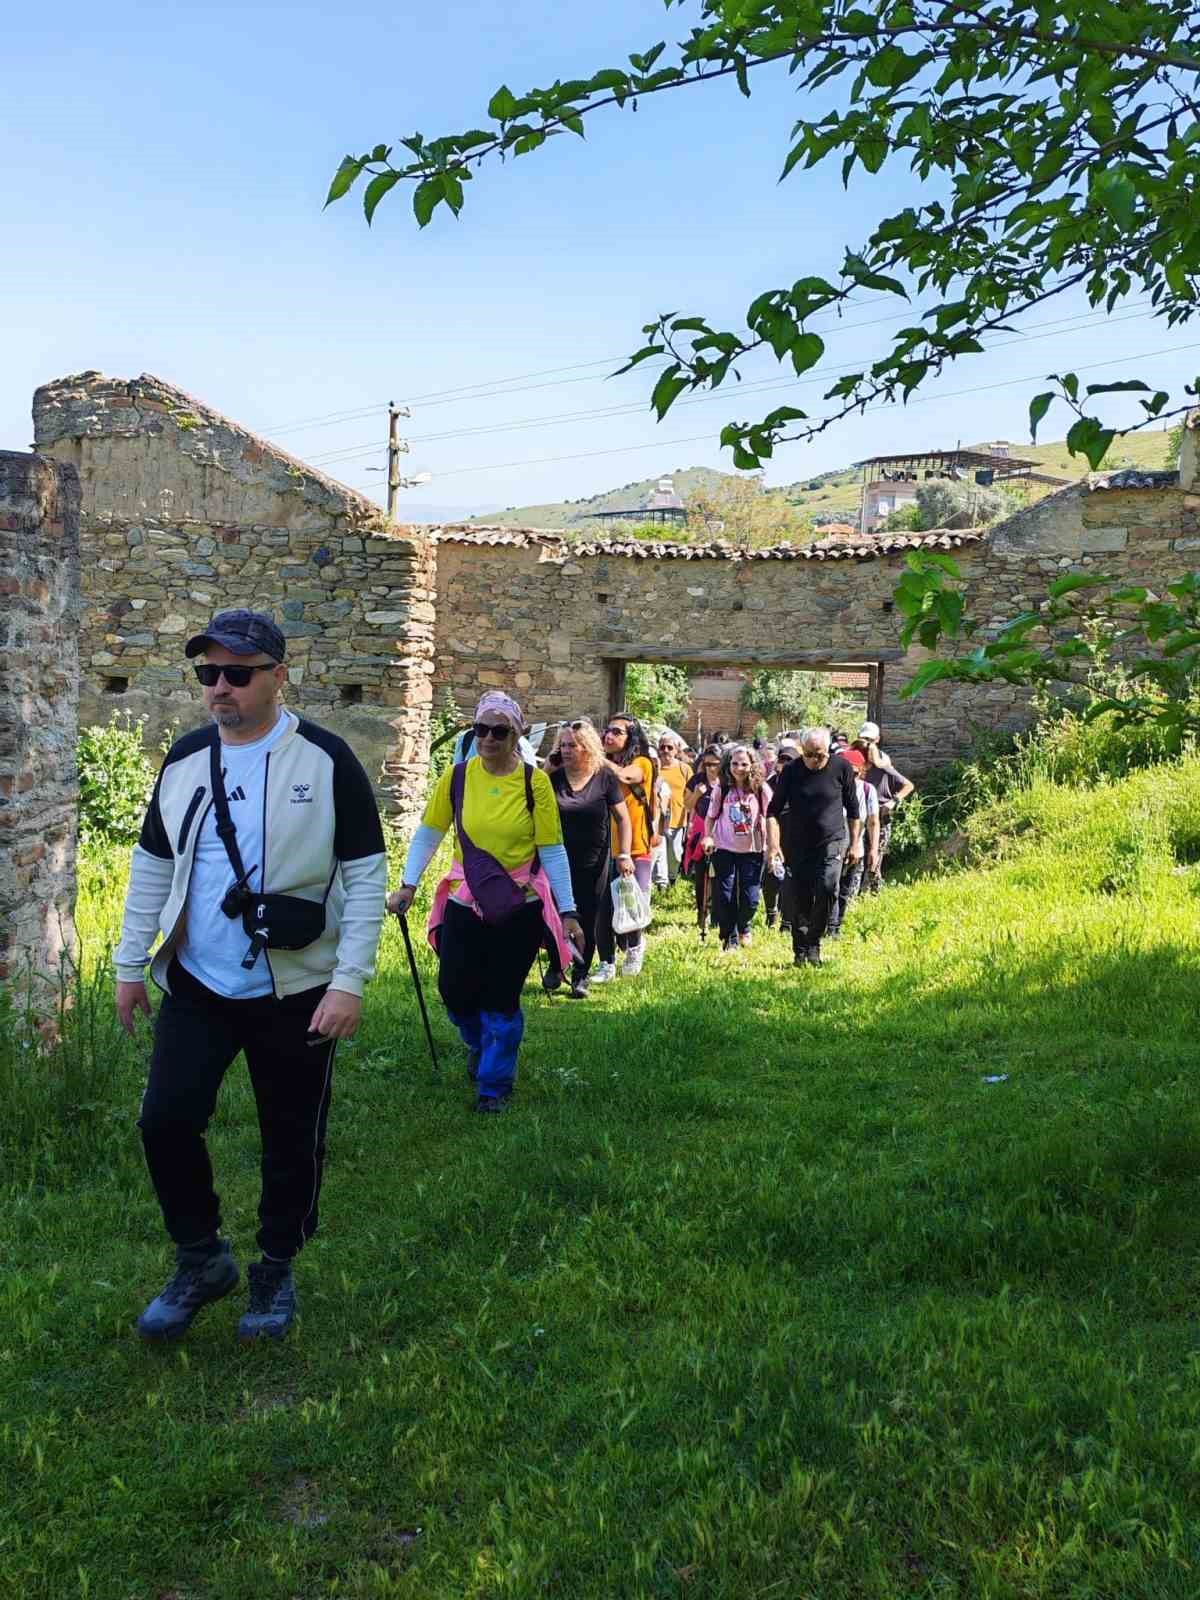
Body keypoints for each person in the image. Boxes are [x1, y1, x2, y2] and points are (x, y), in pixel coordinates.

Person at [113, 609, 388, 1345]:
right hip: (198, 981)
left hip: (297, 986)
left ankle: (274, 1266)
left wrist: (349, 980)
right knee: (164, 1120)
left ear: (277, 676)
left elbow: (364, 879)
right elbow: (153, 866)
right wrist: (129, 964)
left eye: (237, 673)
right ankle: (200, 1258)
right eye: (208, 674)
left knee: (292, 1135)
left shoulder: (326, 760)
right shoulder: (185, 758)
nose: (220, 688)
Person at [388, 692, 584, 1112]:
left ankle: (494, 1085)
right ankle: (477, 1042)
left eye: (500, 731)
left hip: (520, 904)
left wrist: (567, 911)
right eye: (481, 729)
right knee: (454, 989)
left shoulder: (535, 784)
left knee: (502, 996)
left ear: (518, 734)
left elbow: (552, 850)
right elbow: (429, 832)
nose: (489, 738)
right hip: (466, 899)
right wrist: (408, 884)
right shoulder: (457, 777)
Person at [547, 720, 634, 998]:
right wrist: (548, 767)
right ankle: (556, 963)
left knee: (588, 915)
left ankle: (580, 975)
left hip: (595, 861)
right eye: (563, 745)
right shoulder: (554, 778)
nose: (567, 750)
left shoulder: (604, 777)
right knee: (554, 912)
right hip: (558, 859)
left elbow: (623, 819)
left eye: (573, 745)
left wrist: (624, 854)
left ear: (587, 747)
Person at [767, 726, 861, 967]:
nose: (813, 760)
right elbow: (772, 812)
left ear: (827, 752)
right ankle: (801, 950)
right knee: (800, 897)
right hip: (797, 843)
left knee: (829, 887)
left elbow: (853, 811)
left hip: (832, 840)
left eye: (818, 755)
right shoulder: (791, 772)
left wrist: (856, 844)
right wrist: (773, 845)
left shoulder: (841, 768)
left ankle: (814, 940)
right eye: (808, 754)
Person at [592, 714, 657, 981]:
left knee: (629, 903)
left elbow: (625, 776)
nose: (609, 735)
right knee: (602, 908)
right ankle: (606, 963)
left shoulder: (642, 763)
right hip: (603, 848)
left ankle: (634, 949)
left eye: (617, 732)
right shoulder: (598, 767)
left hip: (636, 849)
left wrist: (594, 755)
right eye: (607, 730)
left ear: (631, 738)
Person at [701, 744, 773, 952]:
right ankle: (729, 937)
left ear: (753, 765)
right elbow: (711, 817)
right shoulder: (721, 789)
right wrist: (707, 837)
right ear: (727, 765)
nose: (739, 768)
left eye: (744, 764)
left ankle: (744, 926)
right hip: (724, 848)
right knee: (725, 896)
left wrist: (771, 846)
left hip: (753, 849)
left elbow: (770, 818)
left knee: (750, 898)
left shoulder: (762, 790)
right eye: (734, 763)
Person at [853, 721, 915, 891]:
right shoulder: (855, 762)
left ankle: (873, 894)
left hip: (880, 817)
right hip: (859, 818)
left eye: (869, 740)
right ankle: (854, 896)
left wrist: (893, 801)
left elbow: (908, 785)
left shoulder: (883, 763)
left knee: (874, 860)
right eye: (863, 739)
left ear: (877, 740)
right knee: (857, 858)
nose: (866, 744)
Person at [828, 766, 880, 937]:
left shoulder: (867, 790)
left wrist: (873, 849)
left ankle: (837, 926)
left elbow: (873, 821)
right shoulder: (832, 787)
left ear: (861, 772)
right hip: (832, 847)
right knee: (830, 887)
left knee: (845, 890)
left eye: (855, 774)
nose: (851, 778)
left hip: (855, 848)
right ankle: (831, 927)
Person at [682, 745, 724, 939]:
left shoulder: (727, 781)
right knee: (701, 876)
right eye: (706, 764)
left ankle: (718, 914)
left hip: (723, 833)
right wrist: (698, 794)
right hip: (701, 833)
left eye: (714, 764)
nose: (710, 768)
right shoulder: (696, 780)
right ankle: (702, 913)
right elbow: (687, 804)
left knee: (720, 876)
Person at [761, 740, 797, 931]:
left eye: (790, 761)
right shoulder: (769, 784)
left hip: (795, 835)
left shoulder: (802, 784)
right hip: (772, 835)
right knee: (771, 878)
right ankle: (771, 913)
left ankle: (787, 921)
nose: (785, 764)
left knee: (790, 880)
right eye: (782, 759)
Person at [651, 730, 692, 888]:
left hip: (677, 818)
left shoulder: (685, 769)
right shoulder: (655, 767)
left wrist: (690, 820)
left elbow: (691, 795)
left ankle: (672, 878)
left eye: (669, 747)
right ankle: (661, 884)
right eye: (662, 747)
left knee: (675, 854)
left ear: (676, 750)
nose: (666, 751)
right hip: (657, 820)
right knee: (658, 853)